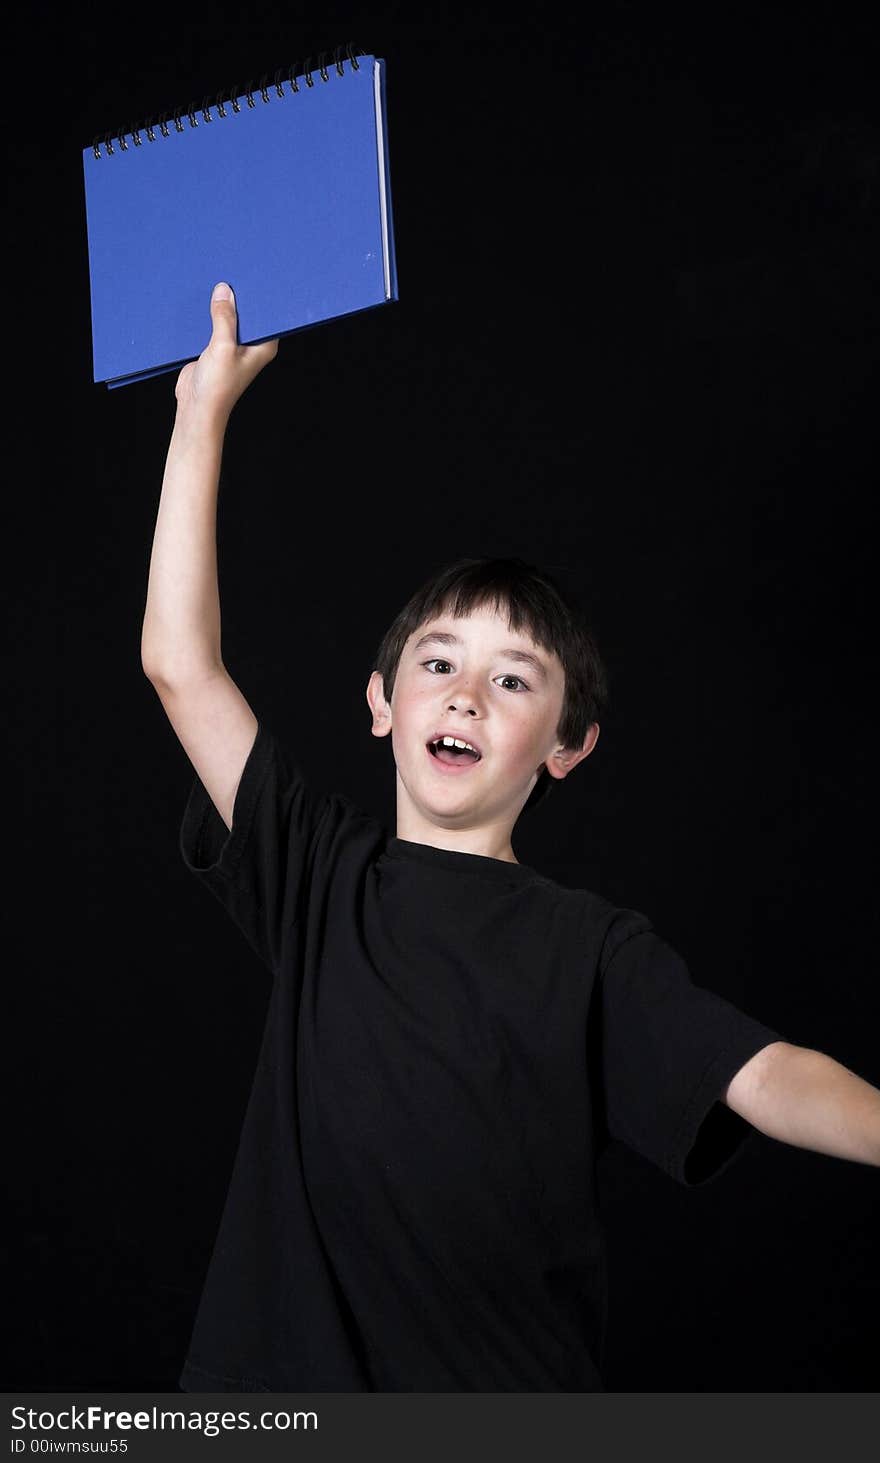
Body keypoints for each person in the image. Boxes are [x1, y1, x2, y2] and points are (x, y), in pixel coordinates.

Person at [142, 282, 880, 1393]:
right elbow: (178, 663)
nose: (466, 696)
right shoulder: (314, 868)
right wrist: (200, 415)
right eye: (438, 664)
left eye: (512, 678)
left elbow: (763, 1073)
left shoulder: (590, 948)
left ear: (568, 745)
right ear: (383, 702)